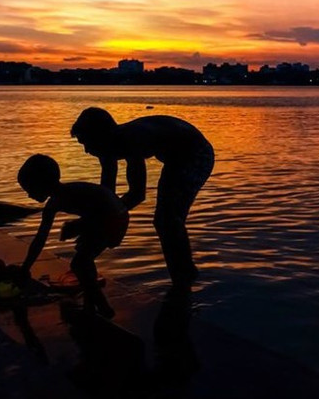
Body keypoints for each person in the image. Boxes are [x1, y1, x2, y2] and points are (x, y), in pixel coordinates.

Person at [70, 108, 214, 288]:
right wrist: (93, 222)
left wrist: (93, 222)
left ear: (100, 136)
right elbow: (106, 197)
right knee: (165, 220)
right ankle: (183, 276)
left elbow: (137, 194)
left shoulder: (131, 140)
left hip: (196, 155)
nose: (86, 151)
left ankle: (184, 276)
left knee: (167, 220)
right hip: (175, 159)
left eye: (86, 143)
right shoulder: (106, 150)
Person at [17, 153, 129, 318]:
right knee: (84, 259)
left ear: (41, 184)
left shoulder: (71, 193)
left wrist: (78, 226)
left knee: (79, 263)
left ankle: (103, 308)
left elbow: (102, 209)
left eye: (29, 189)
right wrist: (25, 267)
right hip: (103, 219)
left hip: (114, 218)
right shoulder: (54, 203)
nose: (29, 195)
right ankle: (90, 306)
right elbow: (40, 239)